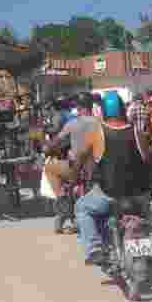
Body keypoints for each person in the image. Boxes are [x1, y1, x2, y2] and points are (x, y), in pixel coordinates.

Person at [73, 91, 152, 266]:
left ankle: (94, 248)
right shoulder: (137, 132)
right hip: (138, 194)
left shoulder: (98, 132)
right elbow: (148, 160)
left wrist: (73, 178)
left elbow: (80, 157)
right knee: (143, 217)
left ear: (103, 112)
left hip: (109, 194)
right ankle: (144, 254)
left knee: (81, 207)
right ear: (123, 110)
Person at [42, 93, 100, 231]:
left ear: (78, 108)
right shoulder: (100, 123)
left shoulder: (72, 124)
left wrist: (45, 146)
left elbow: (54, 143)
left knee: (49, 168)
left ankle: (62, 199)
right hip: (97, 169)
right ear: (91, 106)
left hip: (77, 170)